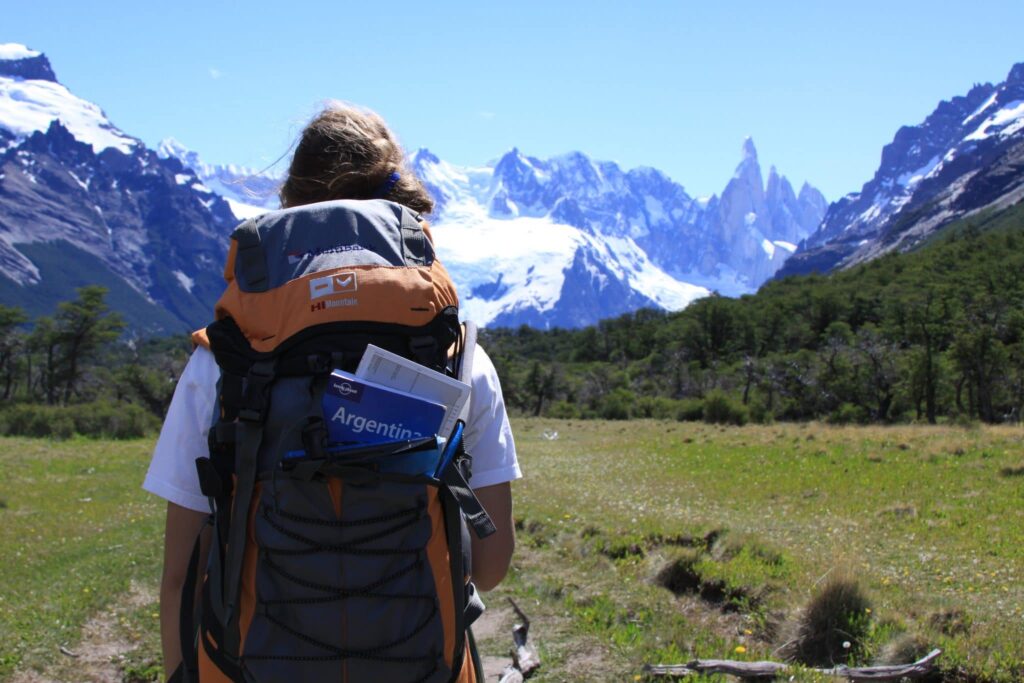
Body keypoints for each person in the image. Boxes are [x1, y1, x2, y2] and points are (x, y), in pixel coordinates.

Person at [143, 103, 520, 680]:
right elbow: (490, 566)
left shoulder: (224, 358)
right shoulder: (457, 356)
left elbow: (179, 577)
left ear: (291, 205)